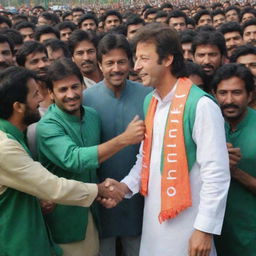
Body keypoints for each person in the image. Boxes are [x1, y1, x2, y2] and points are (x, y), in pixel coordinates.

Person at [101, 23, 230, 256]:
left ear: (168, 59)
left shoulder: (200, 105)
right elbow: (146, 158)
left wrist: (204, 229)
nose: (136, 66)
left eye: (144, 59)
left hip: (190, 226)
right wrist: (125, 186)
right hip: (155, 223)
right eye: (136, 59)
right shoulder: (152, 102)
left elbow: (217, 173)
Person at [0, 66, 123, 256]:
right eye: (35, 95)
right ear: (18, 106)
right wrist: (98, 189)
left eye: (75, 87)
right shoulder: (5, 146)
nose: (41, 100)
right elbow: (56, 184)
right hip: (17, 241)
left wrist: (38, 198)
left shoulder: (15, 136)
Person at [36, 58, 145, 256]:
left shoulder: (92, 116)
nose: (71, 95)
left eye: (75, 87)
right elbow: (74, 159)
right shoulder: (48, 126)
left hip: (94, 215)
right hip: (66, 218)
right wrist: (124, 139)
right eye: (62, 90)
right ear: (51, 94)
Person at [83, 33, 151, 256]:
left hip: (139, 195)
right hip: (99, 195)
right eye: (109, 63)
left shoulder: (148, 96)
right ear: (100, 66)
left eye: (121, 62)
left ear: (131, 63)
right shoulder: (85, 99)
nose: (116, 69)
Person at [212, 63, 256, 256]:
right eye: (223, 93)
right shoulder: (206, 126)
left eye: (236, 92)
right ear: (214, 94)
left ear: (250, 95)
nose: (229, 100)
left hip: (250, 235)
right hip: (212, 234)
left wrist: (234, 172)